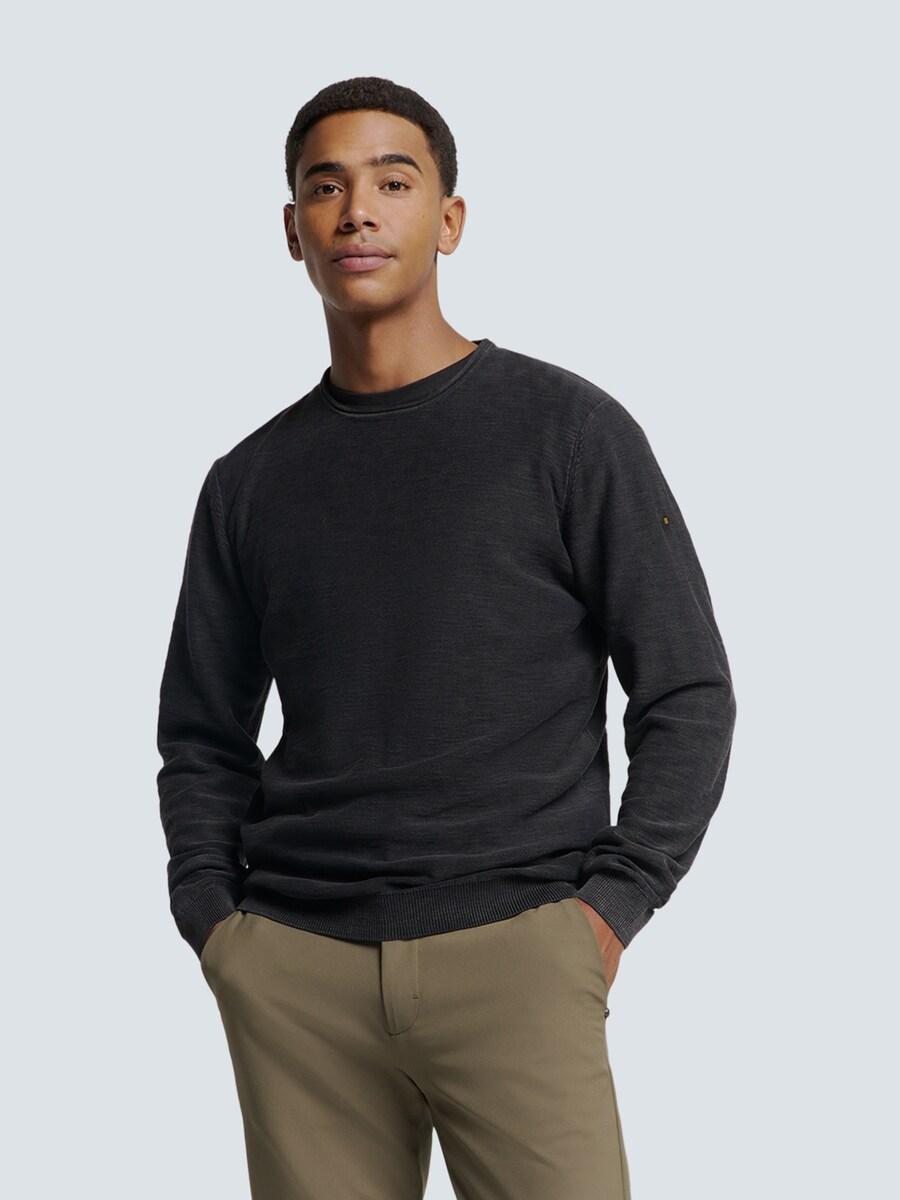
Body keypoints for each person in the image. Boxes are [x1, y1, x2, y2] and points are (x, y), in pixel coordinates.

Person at [156, 75, 737, 1200]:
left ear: (450, 219)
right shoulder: (250, 481)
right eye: (326, 187)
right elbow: (201, 734)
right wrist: (218, 926)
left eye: (393, 182)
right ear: (293, 230)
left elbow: (687, 691)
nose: (357, 212)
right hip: (296, 972)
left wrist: (610, 909)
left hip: (521, 949)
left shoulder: (568, 432)